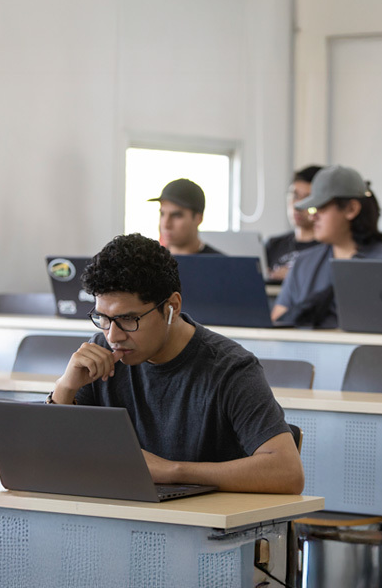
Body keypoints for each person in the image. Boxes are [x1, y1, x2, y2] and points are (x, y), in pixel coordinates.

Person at [48, 234, 303, 494]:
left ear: (172, 307)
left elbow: (288, 472)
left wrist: (173, 472)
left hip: (208, 525)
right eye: (102, 318)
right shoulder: (100, 354)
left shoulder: (230, 368)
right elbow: (46, 461)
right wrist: (65, 387)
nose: (113, 335)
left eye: (128, 319)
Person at [271, 165, 382, 326]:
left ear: (351, 209)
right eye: (313, 209)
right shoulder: (303, 263)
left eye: (322, 208)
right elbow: (278, 321)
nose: (313, 217)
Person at [264, 165, 321, 282]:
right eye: (295, 196)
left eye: (307, 198)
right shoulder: (273, 245)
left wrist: (295, 276)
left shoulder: (328, 248)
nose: (298, 205)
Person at [149, 178, 223, 255]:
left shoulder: (223, 264)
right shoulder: (150, 262)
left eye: (176, 215)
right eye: (162, 214)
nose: (166, 224)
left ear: (198, 218)